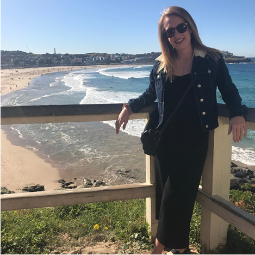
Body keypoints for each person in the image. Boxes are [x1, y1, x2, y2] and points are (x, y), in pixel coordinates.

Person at [115, 6, 247, 254]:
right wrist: (129, 107)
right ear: (164, 37)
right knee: (172, 196)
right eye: (169, 31)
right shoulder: (161, 64)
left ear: (190, 26)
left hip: (194, 140)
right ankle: (182, 248)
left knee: (174, 197)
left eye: (181, 27)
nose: (176, 34)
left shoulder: (212, 59)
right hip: (165, 139)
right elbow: (150, 94)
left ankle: (157, 250)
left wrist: (237, 113)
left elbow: (228, 90)